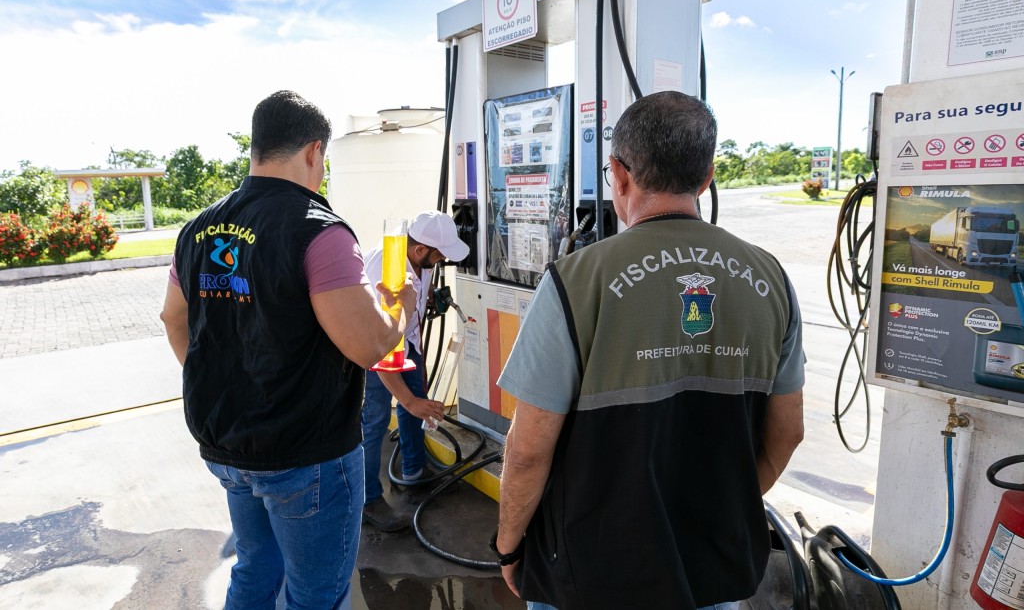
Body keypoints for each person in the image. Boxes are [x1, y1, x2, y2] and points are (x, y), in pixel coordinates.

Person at [492, 91, 806, 610]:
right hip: (714, 570)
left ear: (619, 175)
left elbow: (527, 451)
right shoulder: (771, 278)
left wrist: (508, 546)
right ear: (706, 178)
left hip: (590, 573)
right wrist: (726, 511)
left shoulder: (574, 280)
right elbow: (788, 432)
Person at [160, 89, 415, 610]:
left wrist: (222, 385)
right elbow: (368, 344)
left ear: (257, 147)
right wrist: (401, 305)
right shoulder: (317, 229)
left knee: (255, 569)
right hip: (305, 454)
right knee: (316, 595)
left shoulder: (197, 229)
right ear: (314, 151)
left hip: (227, 445)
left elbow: (173, 318)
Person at [360, 210, 469, 531]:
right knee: (375, 420)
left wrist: (426, 298)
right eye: (439, 255)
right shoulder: (389, 273)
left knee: (416, 405)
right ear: (420, 249)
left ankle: (414, 472)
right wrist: (408, 400)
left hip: (406, 341)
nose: (442, 261)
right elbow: (380, 348)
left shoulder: (416, 257)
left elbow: (416, 296)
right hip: (378, 350)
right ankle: (367, 500)